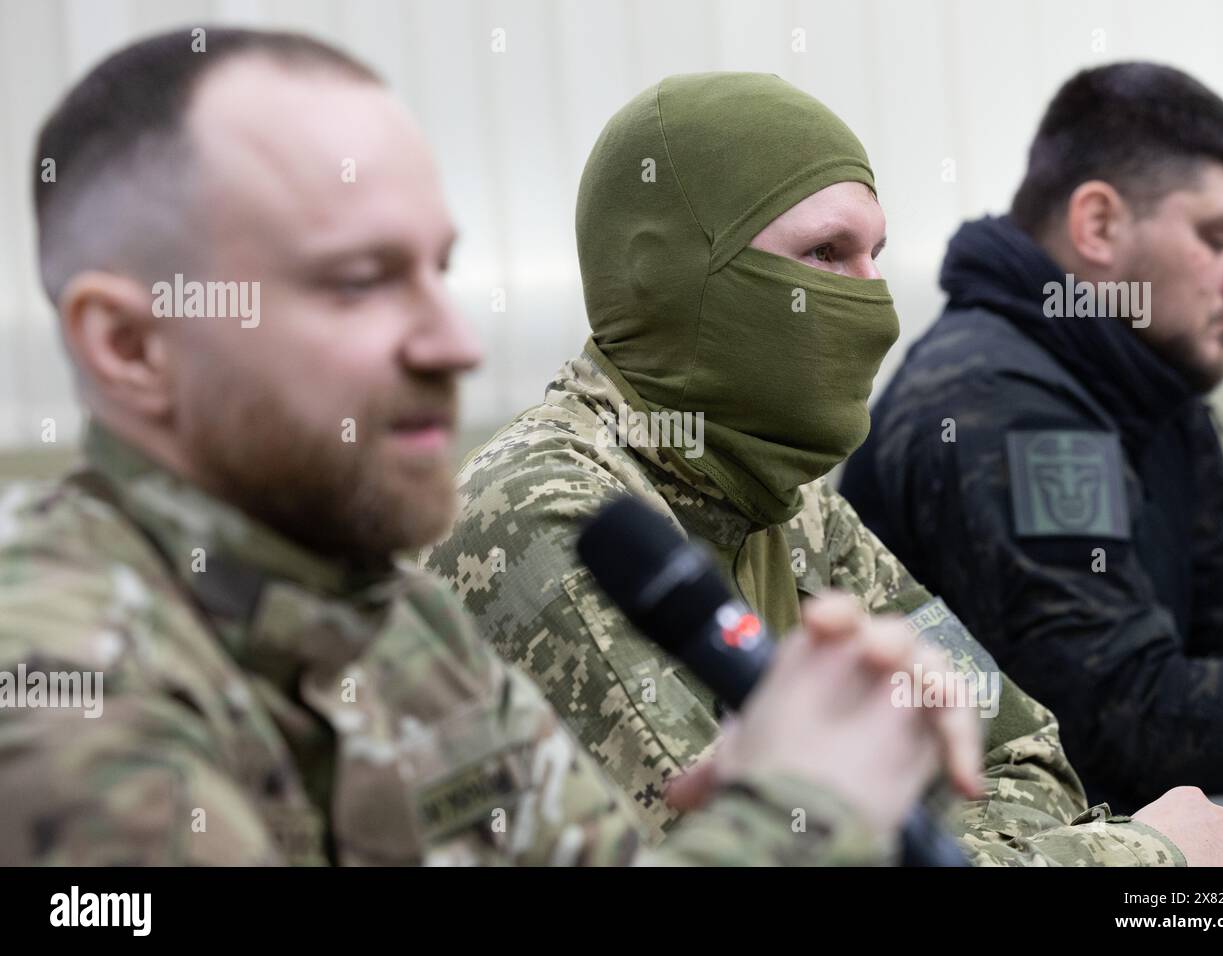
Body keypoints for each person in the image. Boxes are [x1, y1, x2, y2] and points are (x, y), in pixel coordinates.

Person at [0, 27, 979, 866]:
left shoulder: (387, 618)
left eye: (438, 270)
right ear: (131, 346)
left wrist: (770, 786)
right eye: (356, 280)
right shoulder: (62, 678)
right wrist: (800, 812)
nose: (453, 342)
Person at [429, 71, 1223, 865]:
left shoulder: (788, 499)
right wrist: (1143, 861)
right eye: (824, 254)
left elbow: (1020, 757)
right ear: (662, 275)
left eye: (875, 253)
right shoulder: (557, 515)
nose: (877, 308)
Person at [841, 62, 1223, 811]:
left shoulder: (1141, 375)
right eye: (1221, 237)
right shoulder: (998, 403)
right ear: (1098, 225)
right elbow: (1118, 716)